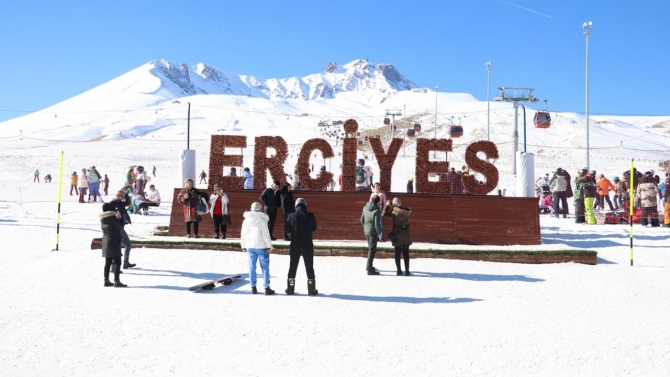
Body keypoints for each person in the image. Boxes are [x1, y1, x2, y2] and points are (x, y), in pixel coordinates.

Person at [285, 198, 318, 296]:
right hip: (307, 245)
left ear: (296, 205)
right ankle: (311, 290)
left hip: (295, 245)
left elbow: (287, 230)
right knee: (309, 266)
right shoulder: (311, 215)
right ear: (305, 205)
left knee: (293, 266)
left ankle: (290, 289)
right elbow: (314, 228)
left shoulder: (291, 216)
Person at [240, 202, 275, 295]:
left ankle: (253, 287)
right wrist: (269, 246)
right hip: (262, 246)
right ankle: (267, 288)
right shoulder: (262, 220)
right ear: (260, 209)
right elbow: (265, 235)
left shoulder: (246, 220)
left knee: (252, 267)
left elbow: (243, 234)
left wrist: (243, 245)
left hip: (250, 246)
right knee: (265, 268)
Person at [99, 202, 127, 288]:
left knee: (108, 261)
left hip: (106, 241)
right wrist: (119, 218)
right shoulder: (112, 217)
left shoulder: (103, 218)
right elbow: (121, 226)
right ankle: (116, 281)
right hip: (113, 241)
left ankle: (106, 280)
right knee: (117, 261)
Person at [384, 197, 413, 276]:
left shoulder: (394, 213)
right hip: (406, 234)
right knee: (406, 253)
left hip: (396, 235)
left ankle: (398, 270)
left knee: (397, 253)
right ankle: (407, 270)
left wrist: (388, 205)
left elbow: (385, 214)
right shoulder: (406, 212)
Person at [110, 189, 135, 269]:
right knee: (121, 246)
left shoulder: (120, 203)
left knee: (126, 245)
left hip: (120, 227)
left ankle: (125, 262)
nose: (123, 198)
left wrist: (126, 193)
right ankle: (113, 266)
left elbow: (128, 203)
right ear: (118, 196)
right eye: (122, 196)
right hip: (117, 228)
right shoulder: (112, 204)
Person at [360, 194, 382, 275]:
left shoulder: (365, 207)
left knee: (370, 249)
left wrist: (366, 227)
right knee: (372, 251)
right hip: (373, 232)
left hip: (366, 231)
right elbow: (377, 224)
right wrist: (379, 233)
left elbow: (361, 220)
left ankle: (369, 266)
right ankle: (369, 268)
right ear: (378, 202)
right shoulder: (376, 211)